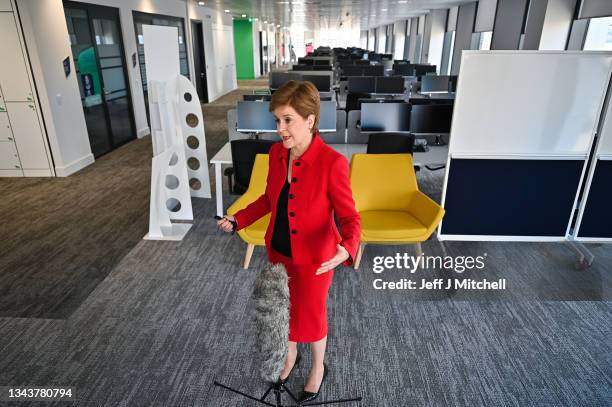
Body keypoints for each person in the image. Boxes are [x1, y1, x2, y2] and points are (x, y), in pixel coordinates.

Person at [217, 80, 361, 403]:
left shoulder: (332, 163)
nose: (279, 129)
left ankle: (317, 368)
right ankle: (289, 357)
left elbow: (351, 218)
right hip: (279, 251)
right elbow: (267, 200)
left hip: (315, 259)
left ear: (310, 120)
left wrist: (347, 247)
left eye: (287, 121)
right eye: (277, 121)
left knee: (312, 315)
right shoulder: (275, 154)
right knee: (285, 311)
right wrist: (238, 218)